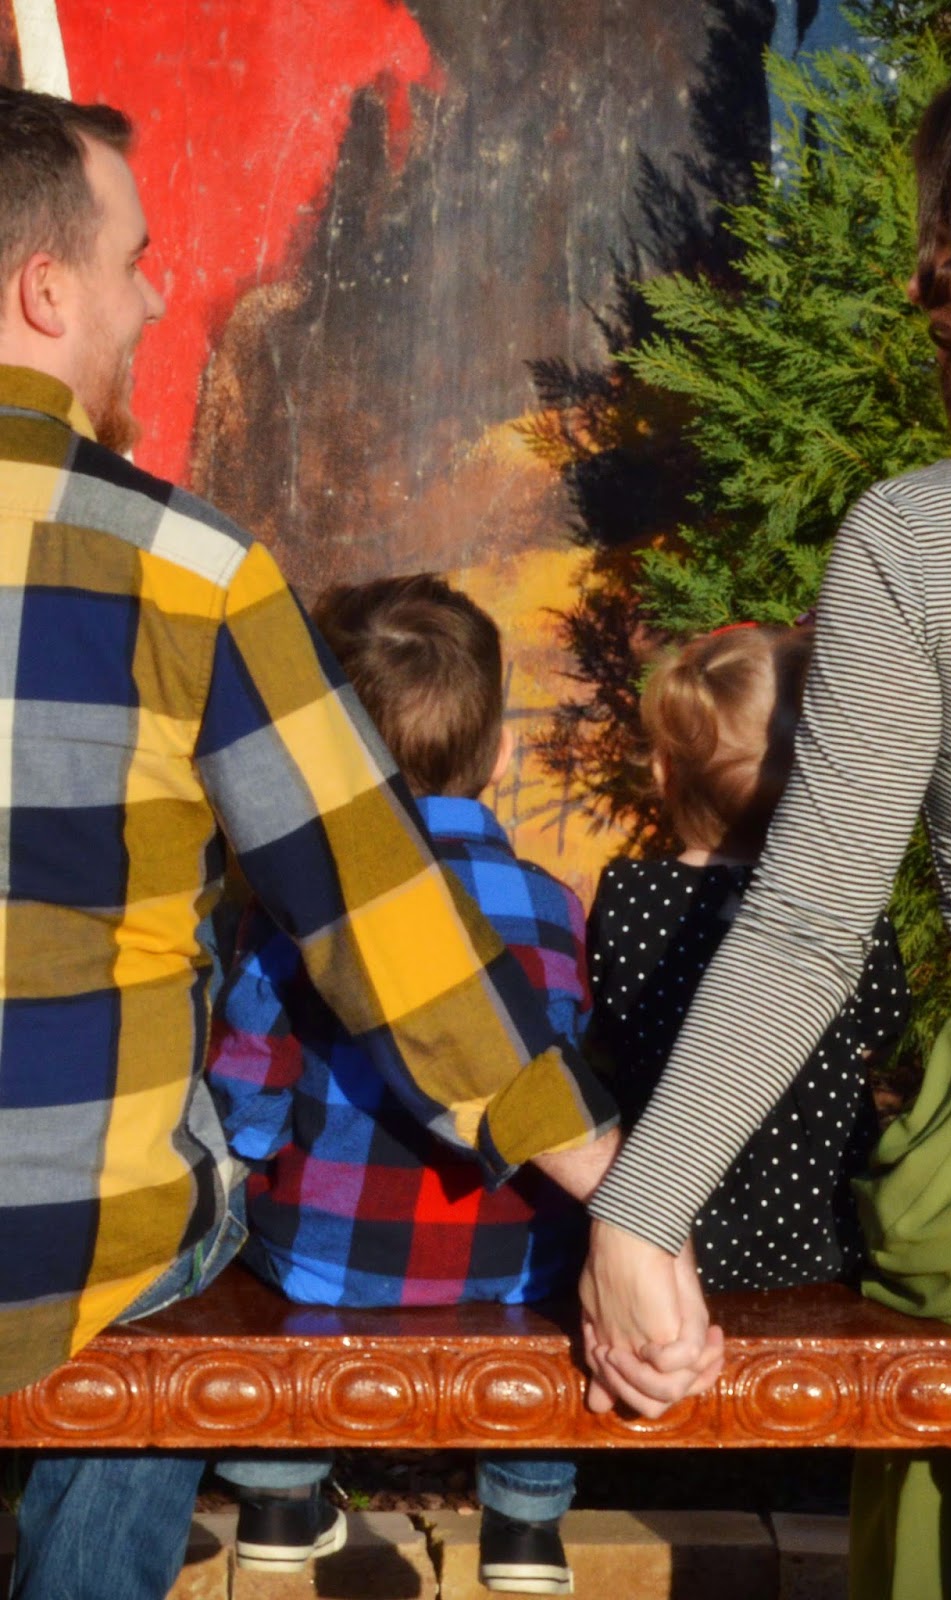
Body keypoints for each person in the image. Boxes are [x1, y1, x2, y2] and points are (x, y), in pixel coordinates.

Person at [0, 86, 618, 1600]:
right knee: (160, 1231)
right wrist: (603, 1173)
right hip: (73, 1243)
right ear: (46, 290)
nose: (158, 301)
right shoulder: (191, 570)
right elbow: (374, 910)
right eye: (138, 262)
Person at [577, 42, 951, 1600]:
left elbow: (808, 924)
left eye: (941, 240)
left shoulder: (915, 535)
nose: (915, 283)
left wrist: (639, 1211)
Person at [209, 573, 594, 1593]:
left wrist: (245, 1162)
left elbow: (249, 1082)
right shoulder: (552, 905)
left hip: (326, 1260)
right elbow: (571, 1076)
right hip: (513, 1260)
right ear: (501, 753)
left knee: (257, 1237)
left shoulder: (295, 901)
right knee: (555, 1282)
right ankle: (526, 1526)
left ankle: (279, 1494)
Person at [588, 621, 908, 1290]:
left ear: (663, 772)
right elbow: (881, 1023)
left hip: (672, 1236)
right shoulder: (842, 902)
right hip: (823, 1232)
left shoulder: (630, 895)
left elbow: (609, 1031)